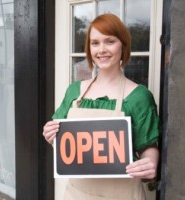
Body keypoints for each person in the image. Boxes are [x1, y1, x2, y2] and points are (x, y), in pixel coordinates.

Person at [43, 13, 160, 200]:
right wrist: (51, 135)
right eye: (95, 43)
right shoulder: (74, 91)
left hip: (123, 195)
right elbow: (64, 141)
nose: (101, 49)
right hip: (76, 194)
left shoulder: (139, 96)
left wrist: (150, 163)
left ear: (123, 45)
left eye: (110, 41)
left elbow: (148, 145)